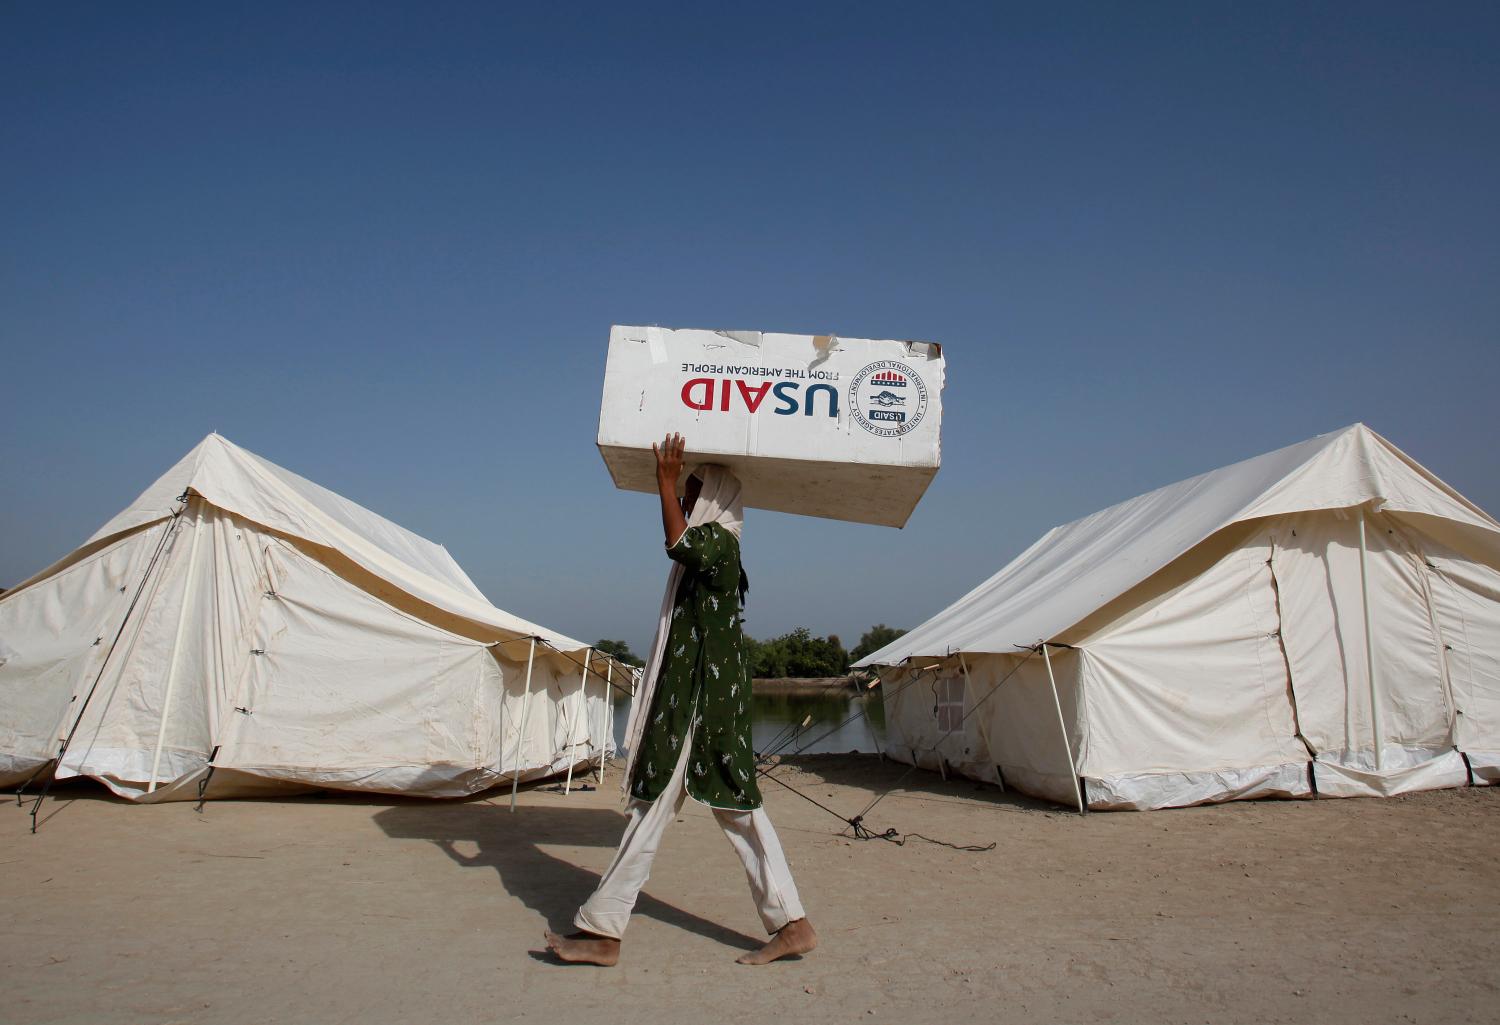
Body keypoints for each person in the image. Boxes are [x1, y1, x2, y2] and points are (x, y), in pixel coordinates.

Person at [545, 432, 817, 966]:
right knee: (715, 812)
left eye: (694, 494)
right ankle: (789, 923)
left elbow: (677, 541)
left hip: (701, 710)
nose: (686, 503)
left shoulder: (718, 545)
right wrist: (670, 486)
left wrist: (663, 482)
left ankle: (606, 931)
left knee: (716, 812)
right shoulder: (713, 553)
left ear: (715, 499)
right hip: (696, 703)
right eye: (684, 495)